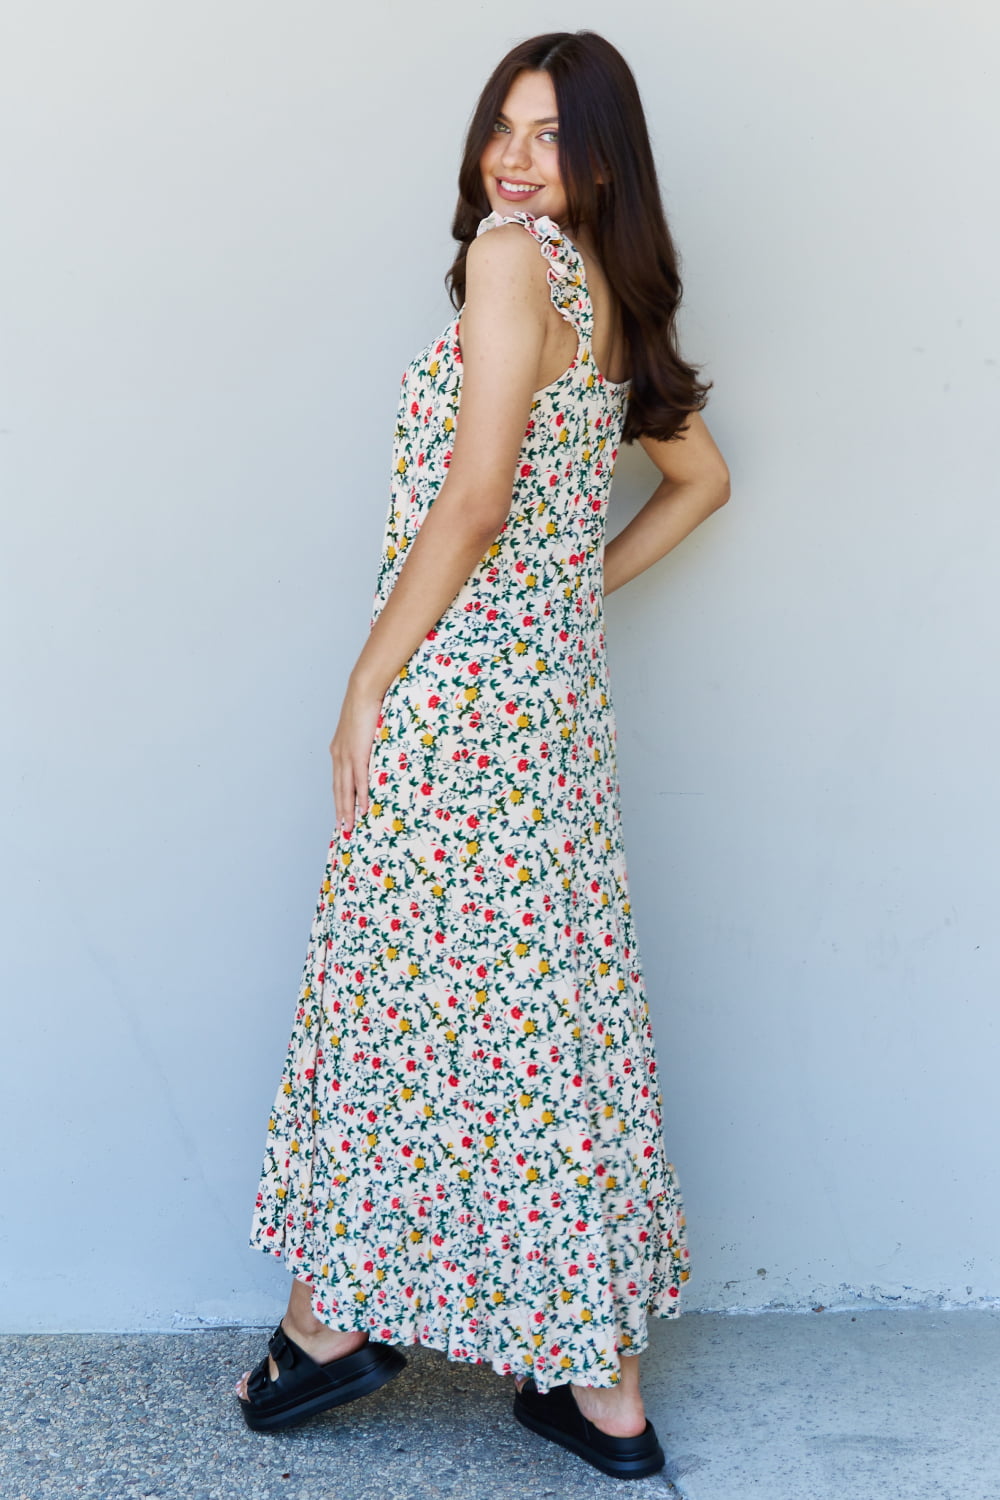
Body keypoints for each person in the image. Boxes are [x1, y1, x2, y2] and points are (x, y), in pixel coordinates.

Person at [235, 28, 730, 1482]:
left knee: (397, 986)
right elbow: (701, 480)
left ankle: (332, 1328)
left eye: (548, 135)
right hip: (555, 708)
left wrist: (365, 680)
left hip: (457, 699)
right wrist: (565, 592)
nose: (514, 161)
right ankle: (605, 1391)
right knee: (549, 1011)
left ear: (599, 160)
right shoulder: (623, 302)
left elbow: (475, 493)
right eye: (500, 129)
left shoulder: (515, 263)